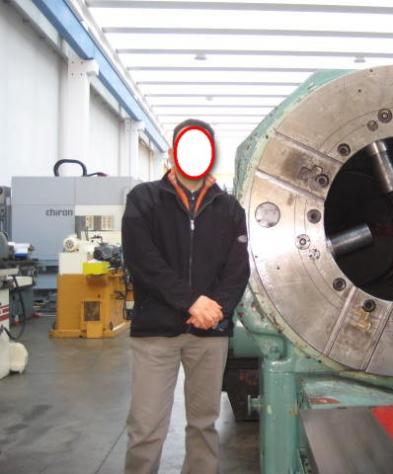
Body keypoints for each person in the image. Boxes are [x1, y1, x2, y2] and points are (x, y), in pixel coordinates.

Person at [122, 119, 250, 474]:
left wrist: (215, 310)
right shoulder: (144, 199)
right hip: (155, 332)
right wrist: (191, 302)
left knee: (204, 425)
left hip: (209, 332)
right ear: (172, 152)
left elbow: (237, 269)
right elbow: (143, 261)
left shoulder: (230, 209)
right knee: (146, 429)